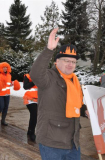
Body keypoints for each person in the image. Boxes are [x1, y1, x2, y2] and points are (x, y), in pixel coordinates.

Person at [30, 28, 88, 160]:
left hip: (73, 143)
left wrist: (85, 111)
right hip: (52, 143)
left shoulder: (75, 81)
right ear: (57, 62)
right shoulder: (49, 77)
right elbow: (35, 74)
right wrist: (49, 50)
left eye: (73, 62)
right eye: (66, 60)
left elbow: (77, 104)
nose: (70, 64)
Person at [23, 73, 38, 142]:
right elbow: (25, 86)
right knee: (34, 115)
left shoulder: (42, 76)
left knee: (34, 116)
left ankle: (30, 130)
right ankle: (32, 132)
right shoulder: (28, 76)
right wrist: (35, 81)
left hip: (38, 99)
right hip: (29, 99)